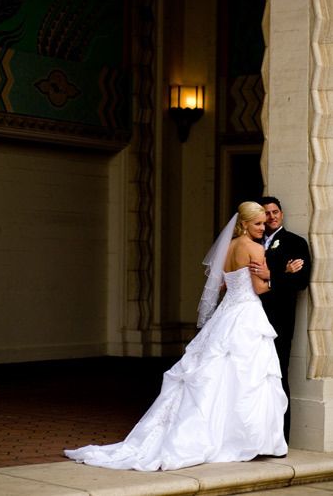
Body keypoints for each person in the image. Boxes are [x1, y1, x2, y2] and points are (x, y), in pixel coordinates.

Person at [64, 202, 288, 471]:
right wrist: (275, 275)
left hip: (227, 314)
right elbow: (260, 288)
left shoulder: (228, 248)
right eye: (258, 224)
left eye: (264, 223)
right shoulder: (254, 248)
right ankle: (239, 439)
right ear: (244, 223)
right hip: (247, 314)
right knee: (247, 376)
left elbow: (224, 284)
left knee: (217, 373)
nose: (263, 228)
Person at [248, 196, 311, 442]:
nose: (272, 216)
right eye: (267, 213)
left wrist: (271, 275)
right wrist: (281, 271)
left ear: (281, 214)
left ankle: (279, 437)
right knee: (250, 374)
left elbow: (301, 282)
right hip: (250, 317)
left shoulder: (295, 242)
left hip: (280, 320)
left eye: (276, 212)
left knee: (278, 373)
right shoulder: (249, 241)